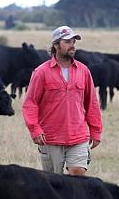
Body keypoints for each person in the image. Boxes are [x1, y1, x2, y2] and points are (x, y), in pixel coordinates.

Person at [22, 25, 102, 176]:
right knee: (54, 183)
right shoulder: (41, 72)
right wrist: (35, 129)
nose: (72, 45)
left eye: (73, 41)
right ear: (56, 45)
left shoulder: (84, 71)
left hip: (78, 136)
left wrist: (96, 130)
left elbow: (91, 102)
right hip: (50, 137)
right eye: (67, 42)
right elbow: (30, 103)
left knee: (77, 176)